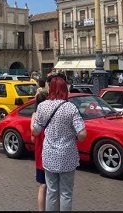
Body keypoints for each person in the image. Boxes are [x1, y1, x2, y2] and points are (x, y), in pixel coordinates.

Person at [32, 76, 86, 211]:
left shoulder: (43, 106)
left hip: (49, 155)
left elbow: (36, 131)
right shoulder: (70, 108)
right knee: (66, 193)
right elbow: (82, 134)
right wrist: (75, 137)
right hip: (67, 155)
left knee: (51, 191)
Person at [30, 89, 48, 211]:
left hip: (39, 155)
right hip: (50, 155)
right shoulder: (48, 114)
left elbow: (32, 138)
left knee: (43, 186)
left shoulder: (35, 116)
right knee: (53, 187)